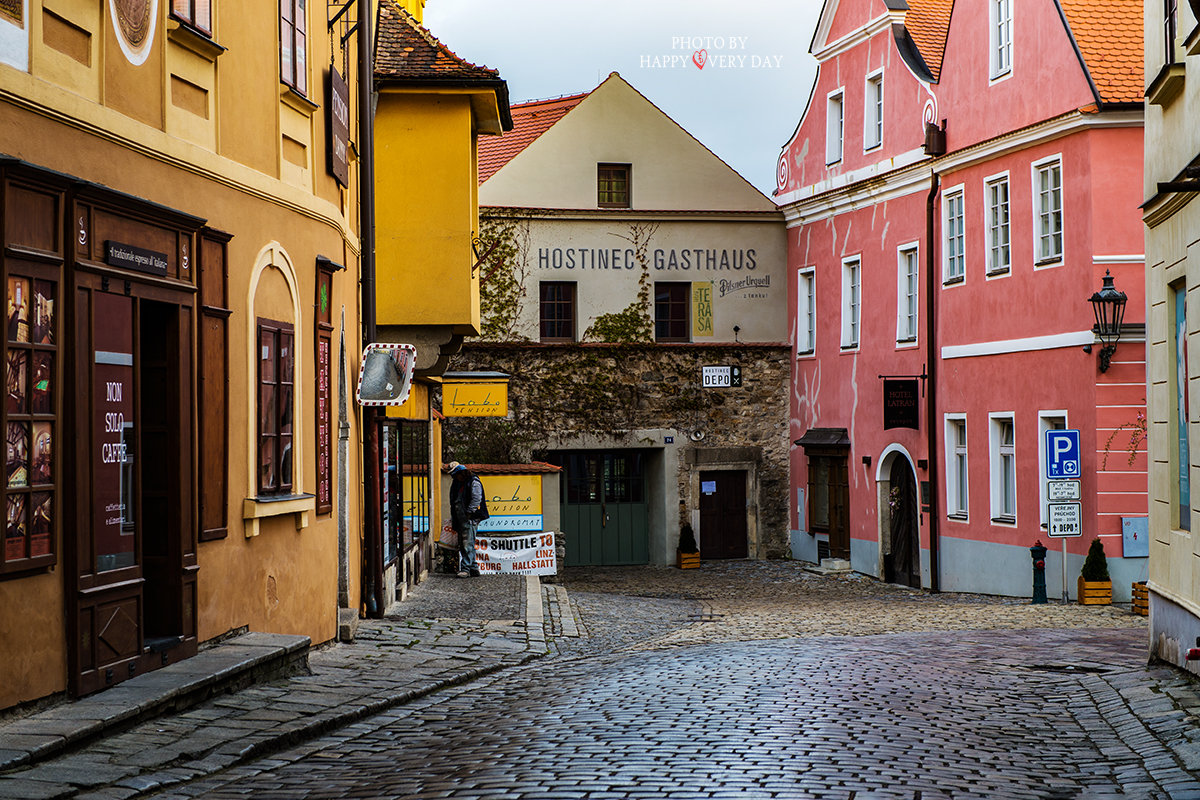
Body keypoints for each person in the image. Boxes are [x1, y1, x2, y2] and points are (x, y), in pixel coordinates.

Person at [448, 461, 487, 578]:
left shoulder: (473, 482)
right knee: (466, 542)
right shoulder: (459, 483)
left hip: (469, 518)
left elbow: (476, 499)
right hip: (462, 519)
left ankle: (465, 569)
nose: (455, 477)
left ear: (462, 473)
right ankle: (474, 568)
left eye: (456, 474)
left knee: (467, 543)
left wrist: (469, 513)